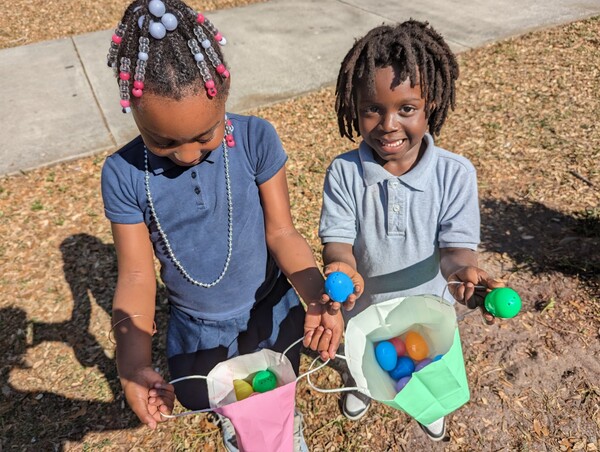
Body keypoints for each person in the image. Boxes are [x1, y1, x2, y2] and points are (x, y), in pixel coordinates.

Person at [100, 1, 343, 450]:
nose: (188, 154)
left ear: (225, 89)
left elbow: (283, 233)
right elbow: (135, 275)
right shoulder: (124, 173)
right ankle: (236, 421)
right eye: (164, 141)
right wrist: (131, 363)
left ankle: (283, 417)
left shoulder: (255, 139)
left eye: (205, 135)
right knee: (226, 394)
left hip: (267, 307)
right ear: (131, 107)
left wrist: (314, 294)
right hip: (200, 328)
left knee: (274, 379)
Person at [318, 20, 504, 442]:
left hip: (427, 307)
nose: (388, 124)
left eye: (406, 108)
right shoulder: (345, 173)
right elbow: (338, 242)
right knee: (365, 357)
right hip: (363, 307)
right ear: (354, 105)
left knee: (424, 363)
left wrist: (463, 274)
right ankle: (360, 386)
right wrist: (342, 271)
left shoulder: (455, 174)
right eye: (372, 109)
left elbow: (456, 250)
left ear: (431, 103)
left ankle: (429, 404)